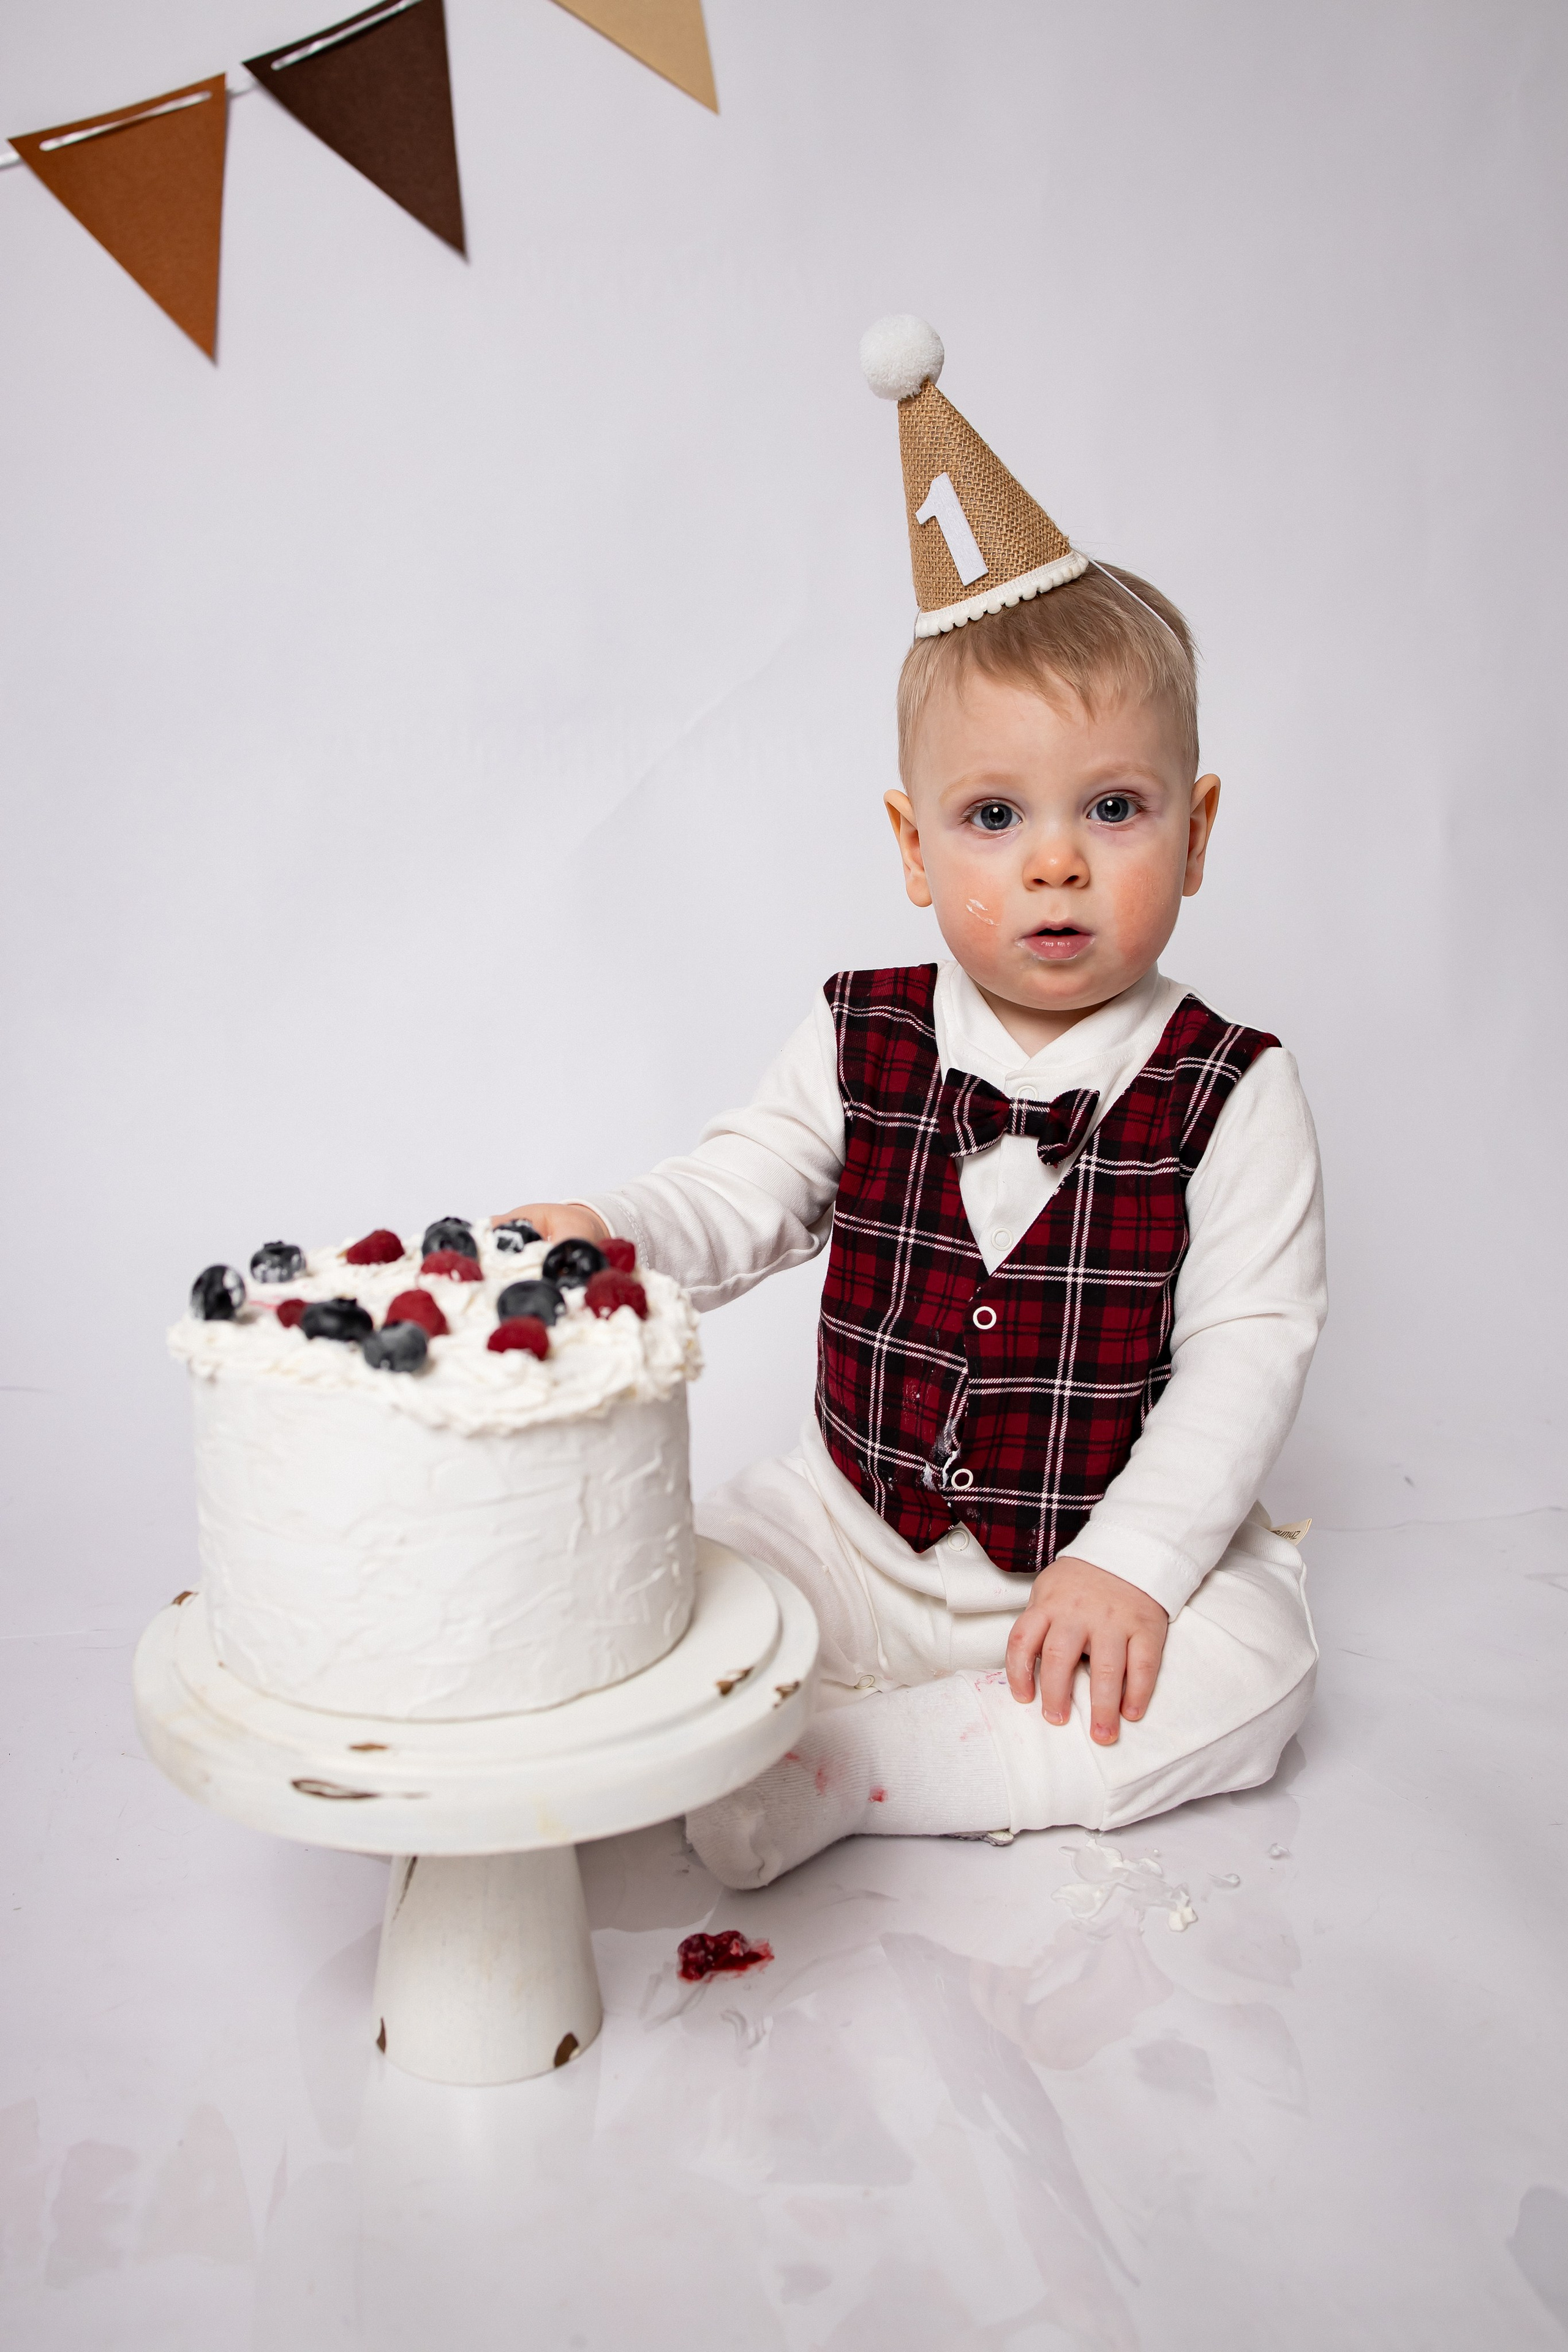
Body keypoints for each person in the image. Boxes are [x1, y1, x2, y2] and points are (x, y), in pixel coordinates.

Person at [496, 318, 1325, 1890]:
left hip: (1084, 1556)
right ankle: (753, 1705)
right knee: (684, 1563)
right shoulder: (860, 1036)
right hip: (855, 1524)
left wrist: (1135, 1567)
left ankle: (858, 1768)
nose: (1055, 861)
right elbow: (739, 1189)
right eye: (994, 815)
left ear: (1197, 828)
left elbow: (1242, 1355)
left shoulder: (1234, 1091)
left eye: (1114, 808)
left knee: (1258, 1673)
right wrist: (614, 1237)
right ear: (910, 845)